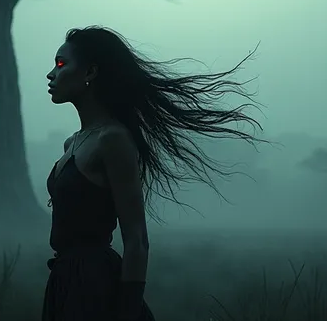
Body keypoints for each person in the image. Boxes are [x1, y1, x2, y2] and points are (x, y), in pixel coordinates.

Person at [42, 26, 264, 321]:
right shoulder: (73, 142)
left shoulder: (112, 140)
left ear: (91, 72)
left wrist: (128, 311)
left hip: (94, 283)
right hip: (63, 280)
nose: (51, 74)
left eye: (60, 64)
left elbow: (136, 239)